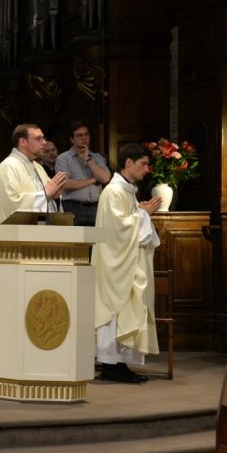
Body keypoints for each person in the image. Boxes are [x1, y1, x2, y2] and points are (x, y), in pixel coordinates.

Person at [93, 144, 162, 384]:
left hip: (126, 263)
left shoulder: (127, 191)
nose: (147, 169)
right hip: (115, 267)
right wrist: (143, 215)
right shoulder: (113, 192)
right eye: (143, 164)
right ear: (128, 163)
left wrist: (141, 214)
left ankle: (120, 364)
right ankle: (112, 365)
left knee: (127, 312)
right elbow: (118, 230)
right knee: (117, 311)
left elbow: (128, 224)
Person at [0, 123, 68, 226]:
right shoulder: (8, 166)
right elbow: (10, 206)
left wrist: (55, 198)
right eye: (38, 139)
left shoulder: (38, 168)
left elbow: (48, 201)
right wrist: (44, 194)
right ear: (23, 142)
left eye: (43, 138)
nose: (44, 143)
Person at [55, 122, 111, 226]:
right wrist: (93, 180)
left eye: (86, 135)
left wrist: (87, 159)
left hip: (96, 207)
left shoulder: (97, 157)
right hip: (73, 207)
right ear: (72, 139)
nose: (84, 138)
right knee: (75, 241)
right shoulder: (63, 158)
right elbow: (65, 184)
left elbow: (105, 178)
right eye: (79, 135)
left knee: (97, 241)